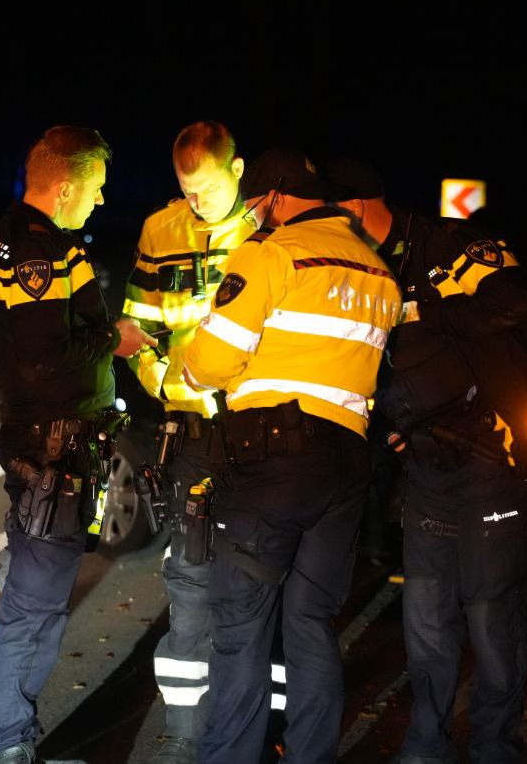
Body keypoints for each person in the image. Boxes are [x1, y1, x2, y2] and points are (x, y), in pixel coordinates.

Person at [325, 156, 527, 764]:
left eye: (332, 210)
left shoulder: (445, 246)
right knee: (425, 620)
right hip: (424, 469)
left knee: (492, 613)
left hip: (489, 461)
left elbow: (515, 303)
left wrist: (426, 310)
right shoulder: (356, 263)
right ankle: (427, 746)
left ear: (358, 205)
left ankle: (496, 747)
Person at [182, 148, 400, 764]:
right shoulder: (378, 271)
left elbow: (211, 361)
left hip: (270, 463)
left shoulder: (273, 253)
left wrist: (191, 366)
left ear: (275, 195)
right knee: (310, 625)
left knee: (241, 628)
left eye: (255, 206)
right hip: (346, 466)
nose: (254, 216)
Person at [0, 125, 156, 764]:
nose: (101, 200)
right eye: (96, 189)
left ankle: (21, 563)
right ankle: (8, 745)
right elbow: (40, 358)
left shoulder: (26, 239)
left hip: (50, 445)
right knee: (37, 611)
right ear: (66, 187)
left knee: (38, 587)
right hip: (53, 448)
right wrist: (114, 339)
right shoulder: (35, 250)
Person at [121, 121, 277, 763]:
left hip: (262, 429)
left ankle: (264, 734)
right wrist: (166, 381)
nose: (198, 202)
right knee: (189, 580)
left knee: (262, 580)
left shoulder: (273, 229)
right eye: (187, 190)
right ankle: (183, 735)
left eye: (208, 188)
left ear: (238, 170)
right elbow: (137, 325)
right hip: (191, 430)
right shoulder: (162, 230)